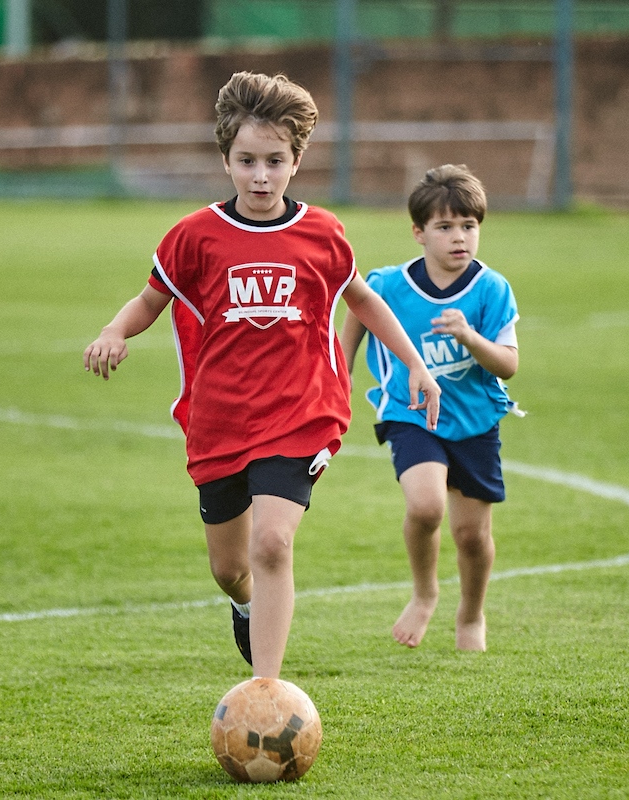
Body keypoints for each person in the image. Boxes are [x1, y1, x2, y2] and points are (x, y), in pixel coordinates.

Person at [83, 71, 441, 679]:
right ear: (226, 160)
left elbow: (364, 300)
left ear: (296, 162)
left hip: (301, 412)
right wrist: (115, 331)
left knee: (272, 542)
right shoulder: (194, 238)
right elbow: (151, 300)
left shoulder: (322, 235)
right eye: (246, 160)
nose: (260, 176)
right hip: (218, 419)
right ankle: (244, 606)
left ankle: (266, 689)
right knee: (229, 567)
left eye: (275, 161)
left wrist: (416, 363)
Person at [340, 164, 520, 652]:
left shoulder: (491, 290)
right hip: (410, 412)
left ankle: (471, 614)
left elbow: (507, 365)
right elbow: (357, 313)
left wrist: (469, 336)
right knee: (425, 505)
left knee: (471, 535)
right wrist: (341, 369)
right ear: (419, 232)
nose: (459, 237)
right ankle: (424, 595)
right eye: (445, 227)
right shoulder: (390, 285)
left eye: (469, 226)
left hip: (475, 421)